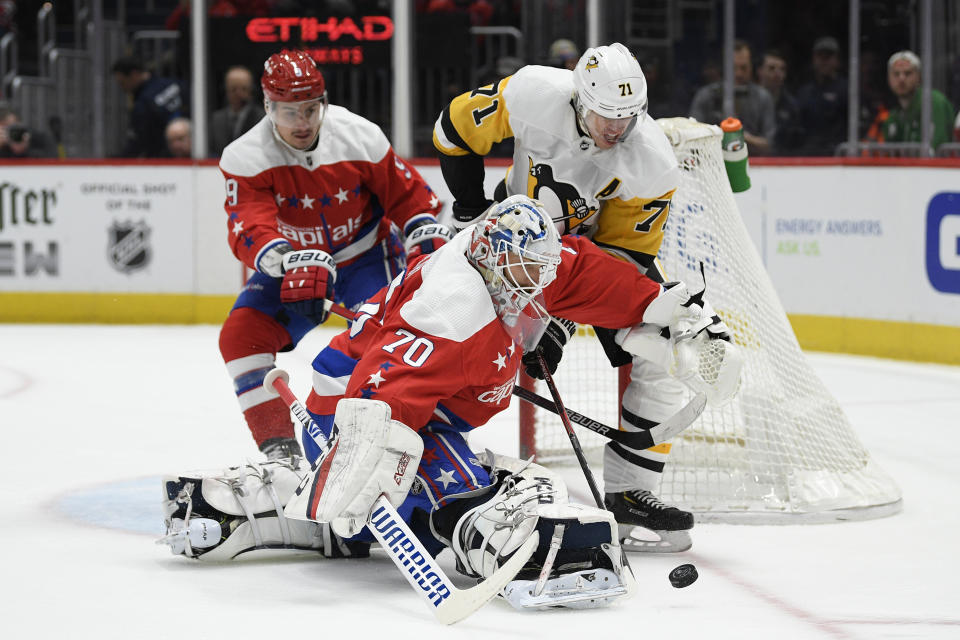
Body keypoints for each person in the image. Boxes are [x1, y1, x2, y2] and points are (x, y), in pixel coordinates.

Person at [160, 196, 738, 609]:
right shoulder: (450, 310)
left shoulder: (524, 260)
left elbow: (584, 273)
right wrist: (368, 454)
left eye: (540, 271)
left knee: (433, 488)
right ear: (489, 262)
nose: (534, 287)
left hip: (432, 405)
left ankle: (290, 507)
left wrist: (668, 312)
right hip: (359, 405)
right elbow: (382, 393)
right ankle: (322, 500)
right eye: (522, 275)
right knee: (449, 493)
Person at [432, 42, 733, 552]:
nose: (614, 129)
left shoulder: (653, 163)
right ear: (578, 98)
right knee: (446, 334)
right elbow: (453, 130)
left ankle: (631, 490)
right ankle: (424, 455)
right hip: (507, 243)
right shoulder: (532, 92)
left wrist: (559, 322)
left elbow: (621, 260)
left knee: (664, 344)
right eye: (603, 115)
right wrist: (469, 209)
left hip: (582, 259)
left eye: (627, 117)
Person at [217, 50, 448, 461]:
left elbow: (408, 196)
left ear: (324, 103)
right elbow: (248, 226)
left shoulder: (360, 135)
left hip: (366, 259)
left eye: (311, 109)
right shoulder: (245, 155)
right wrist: (287, 259)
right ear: (268, 107)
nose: (302, 123)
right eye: (289, 112)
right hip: (293, 265)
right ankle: (281, 454)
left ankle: (406, 448)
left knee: (387, 350)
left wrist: (422, 230)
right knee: (241, 335)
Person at [689, 40, 776, 155]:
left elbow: (769, 145)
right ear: (724, 68)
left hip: (755, 164)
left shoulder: (763, 97)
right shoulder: (706, 96)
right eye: (733, 68)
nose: (739, 74)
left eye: (743, 68)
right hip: (714, 163)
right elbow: (691, 138)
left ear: (751, 67)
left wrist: (739, 136)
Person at [112, 55, 188, 158]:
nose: (123, 89)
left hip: (168, 160)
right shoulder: (174, 83)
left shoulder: (142, 105)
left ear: (134, 75)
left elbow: (138, 144)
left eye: (123, 83)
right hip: (199, 148)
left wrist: (118, 161)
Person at [882, 50, 956, 151]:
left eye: (907, 73)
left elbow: (935, 150)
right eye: (896, 74)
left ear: (919, 76)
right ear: (888, 78)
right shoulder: (895, 112)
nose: (901, 78)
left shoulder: (933, 102)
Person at [796, 36, 848, 156]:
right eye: (820, 56)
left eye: (828, 56)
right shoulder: (804, 92)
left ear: (837, 60)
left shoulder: (847, 90)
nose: (824, 61)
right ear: (814, 59)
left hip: (838, 154)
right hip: (808, 154)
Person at [756, 49, 804, 155]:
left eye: (782, 69)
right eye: (771, 68)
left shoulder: (792, 106)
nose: (777, 73)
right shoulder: (749, 100)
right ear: (759, 71)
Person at [210, 66, 265, 158]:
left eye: (243, 89)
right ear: (226, 90)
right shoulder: (217, 119)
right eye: (233, 89)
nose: (238, 94)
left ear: (251, 90)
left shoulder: (262, 118)